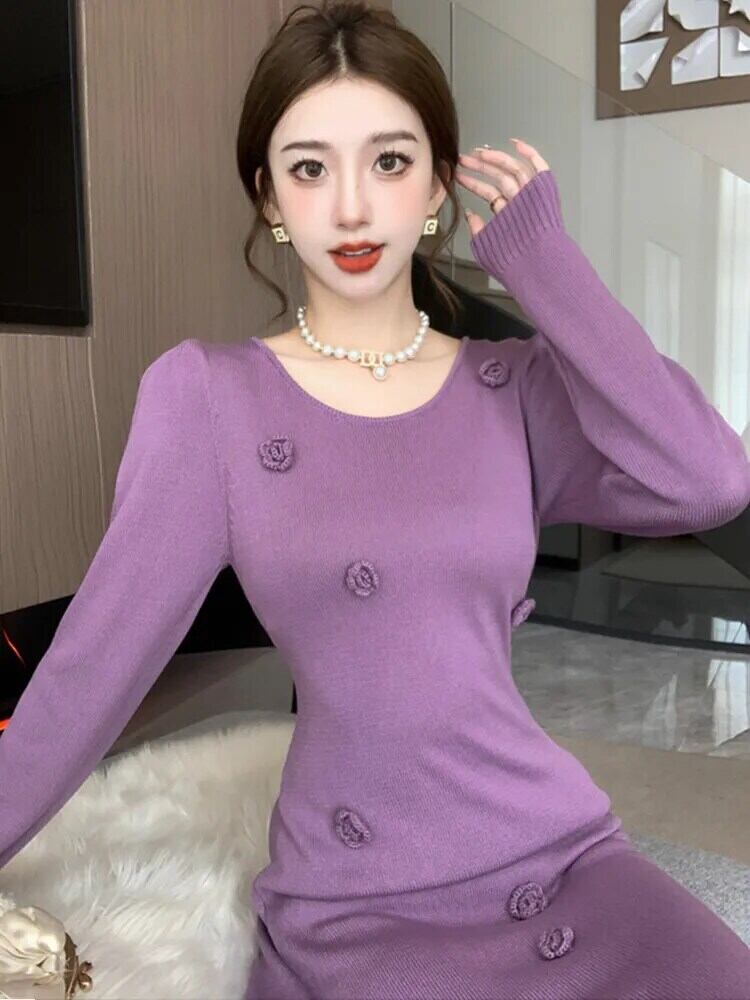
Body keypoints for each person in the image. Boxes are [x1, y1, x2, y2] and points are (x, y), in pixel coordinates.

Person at [1, 2, 749, 998]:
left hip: (554, 850)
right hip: (361, 895)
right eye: (310, 168)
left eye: (389, 161)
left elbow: (706, 478)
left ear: (437, 184)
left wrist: (548, 266)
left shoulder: (513, 387)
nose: (352, 208)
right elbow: (95, 662)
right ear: (269, 195)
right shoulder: (209, 398)